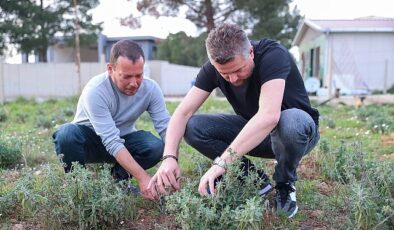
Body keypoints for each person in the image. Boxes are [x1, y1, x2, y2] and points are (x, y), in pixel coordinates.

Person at [149, 23, 320, 218]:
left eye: (238, 69)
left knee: (290, 120)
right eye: (224, 73)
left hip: (297, 134)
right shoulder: (213, 68)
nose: (232, 78)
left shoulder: (274, 54)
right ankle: (255, 180)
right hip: (257, 136)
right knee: (194, 127)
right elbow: (182, 113)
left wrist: (221, 163)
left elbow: (269, 116)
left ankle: (285, 184)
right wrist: (169, 157)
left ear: (251, 52)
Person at [52, 40, 170, 200]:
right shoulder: (95, 90)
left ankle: (119, 180)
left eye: (139, 75)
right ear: (110, 69)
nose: (134, 83)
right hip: (90, 143)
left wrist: (172, 161)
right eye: (127, 77)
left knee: (156, 146)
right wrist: (143, 178)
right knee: (66, 134)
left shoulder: (151, 89)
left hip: (124, 140)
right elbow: (111, 141)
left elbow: (165, 128)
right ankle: (78, 187)